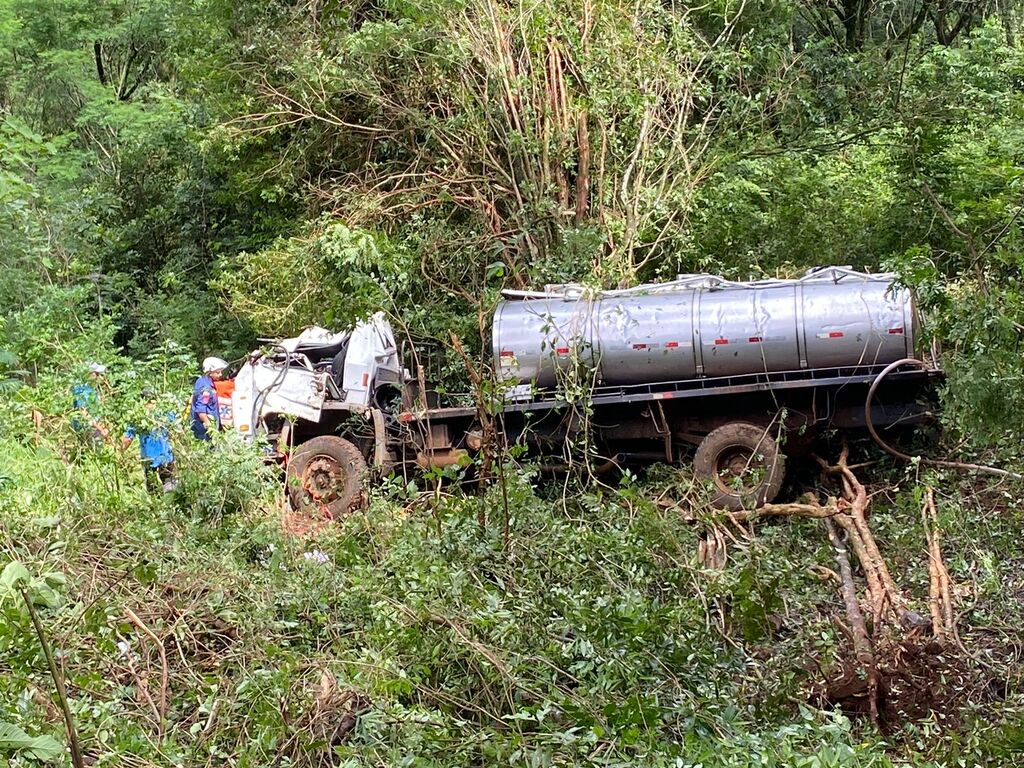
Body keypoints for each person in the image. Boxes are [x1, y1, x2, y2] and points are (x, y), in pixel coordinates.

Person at [122, 390, 177, 492]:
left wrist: (120, 452)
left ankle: (157, 505)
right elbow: (177, 431)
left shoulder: (138, 415)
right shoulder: (165, 411)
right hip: (163, 455)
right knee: (168, 484)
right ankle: (168, 505)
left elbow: (128, 437)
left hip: (151, 456)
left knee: (153, 486)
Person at [191, 357, 228, 440]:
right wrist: (211, 429)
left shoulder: (202, 381)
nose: (220, 375)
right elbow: (201, 411)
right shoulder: (206, 388)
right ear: (210, 373)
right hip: (204, 430)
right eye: (218, 372)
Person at [71, 362, 109, 440]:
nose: (100, 378)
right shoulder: (81, 391)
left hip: (96, 429)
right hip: (87, 431)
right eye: (97, 374)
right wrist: (100, 428)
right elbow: (83, 412)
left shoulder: (93, 390)